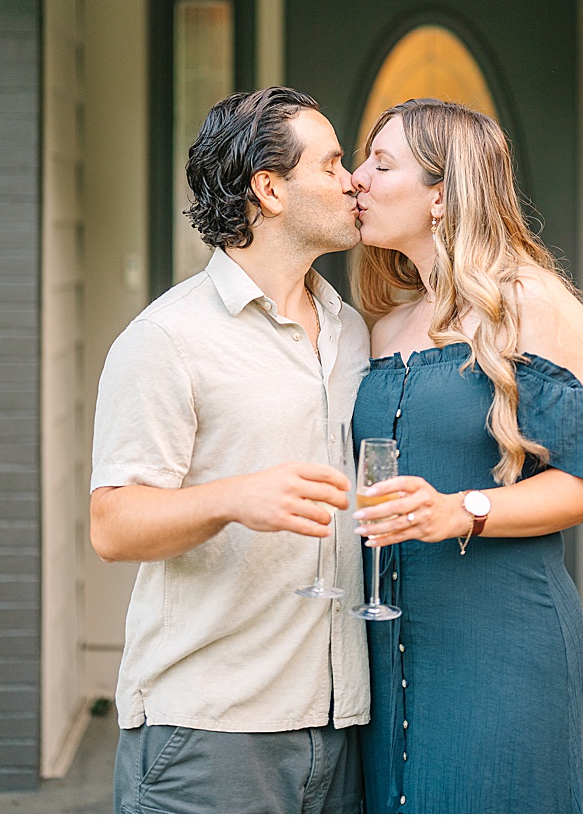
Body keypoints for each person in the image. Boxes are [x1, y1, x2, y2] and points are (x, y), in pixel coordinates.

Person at [91, 86, 373, 813]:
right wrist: (235, 498)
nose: (354, 181)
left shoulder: (352, 333)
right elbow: (114, 526)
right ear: (269, 189)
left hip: (339, 726)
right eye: (334, 163)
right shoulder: (166, 340)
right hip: (210, 735)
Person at [348, 98, 583, 813]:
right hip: (385, 646)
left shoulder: (537, 304)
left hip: (500, 643)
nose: (356, 179)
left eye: (381, 164)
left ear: (441, 194)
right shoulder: (386, 325)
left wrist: (459, 511)